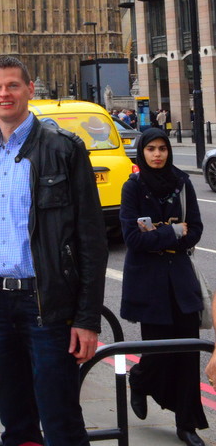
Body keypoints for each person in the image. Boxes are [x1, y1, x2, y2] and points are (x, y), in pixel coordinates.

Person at [0, 55, 107, 446]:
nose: (4, 94)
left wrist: (87, 318)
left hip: (46, 305)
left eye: (13, 85)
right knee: (15, 423)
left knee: (61, 420)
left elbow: (91, 239)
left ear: (30, 89)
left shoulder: (64, 148)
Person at [120, 127, 207, 446]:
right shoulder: (133, 187)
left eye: (162, 148)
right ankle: (140, 379)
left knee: (187, 354)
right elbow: (132, 238)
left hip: (180, 279)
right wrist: (172, 233)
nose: (157, 154)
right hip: (149, 282)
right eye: (151, 149)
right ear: (142, 152)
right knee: (157, 353)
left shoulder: (182, 183)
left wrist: (160, 236)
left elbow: (195, 229)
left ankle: (187, 425)